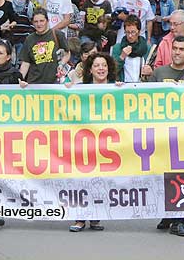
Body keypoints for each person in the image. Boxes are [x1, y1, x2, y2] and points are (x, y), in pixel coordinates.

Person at [68, 51, 121, 232]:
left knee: (102, 180)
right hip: (86, 142)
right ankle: (81, 218)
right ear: (90, 70)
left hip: (109, 145)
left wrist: (123, 90)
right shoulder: (80, 90)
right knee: (83, 179)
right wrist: (67, 90)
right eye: (97, 65)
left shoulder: (118, 88)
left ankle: (96, 216)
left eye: (104, 65)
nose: (101, 69)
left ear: (109, 69)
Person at [20, 10, 68, 84]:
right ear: (32, 23)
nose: (39, 24)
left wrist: (61, 64)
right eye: (36, 21)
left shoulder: (57, 34)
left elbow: (67, 53)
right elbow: (26, 63)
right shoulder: (29, 39)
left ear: (47, 21)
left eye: (41, 21)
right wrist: (20, 80)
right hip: (34, 82)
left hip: (54, 82)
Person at [111, 17, 151, 83]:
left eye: (133, 32)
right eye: (127, 32)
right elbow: (112, 72)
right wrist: (122, 57)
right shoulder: (118, 48)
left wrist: (151, 71)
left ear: (139, 32)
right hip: (124, 87)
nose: (130, 36)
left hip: (143, 87)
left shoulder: (147, 48)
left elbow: (155, 69)